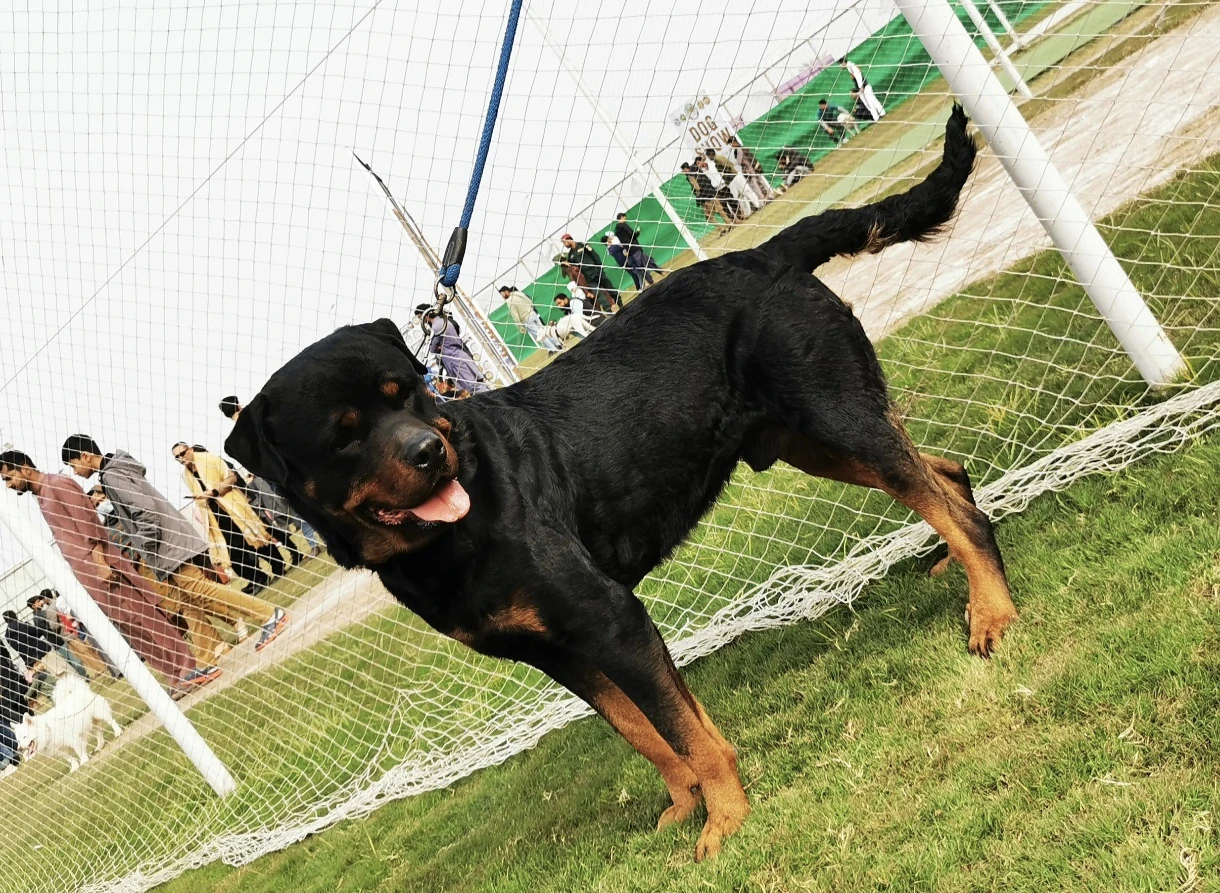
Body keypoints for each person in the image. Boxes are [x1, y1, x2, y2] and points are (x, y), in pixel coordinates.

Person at [0, 450, 217, 696]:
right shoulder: (42, 496)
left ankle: (188, 669)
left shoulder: (59, 483)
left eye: (9, 478)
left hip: (104, 568)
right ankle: (174, 676)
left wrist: (101, 563)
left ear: (25, 470)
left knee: (145, 617)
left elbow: (88, 523)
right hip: (90, 576)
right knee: (131, 626)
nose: (9, 485)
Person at [63, 435, 289, 659]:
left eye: (73, 465)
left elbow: (146, 513)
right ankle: (209, 653)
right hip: (167, 544)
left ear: (84, 456)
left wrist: (147, 546)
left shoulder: (112, 476)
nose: (75, 472)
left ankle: (269, 615)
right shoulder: (115, 471)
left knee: (201, 590)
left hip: (165, 546)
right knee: (187, 601)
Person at [173, 442, 287, 592]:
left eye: (183, 453)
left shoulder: (209, 459)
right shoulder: (186, 476)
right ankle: (257, 577)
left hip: (233, 506)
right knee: (232, 553)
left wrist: (213, 491)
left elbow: (231, 478)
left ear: (190, 450)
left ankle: (276, 566)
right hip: (215, 515)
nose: (181, 458)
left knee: (254, 539)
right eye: (177, 457)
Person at [220, 398, 322, 557]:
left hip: (270, 474)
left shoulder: (237, 436)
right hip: (286, 464)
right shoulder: (255, 417)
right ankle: (321, 539)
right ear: (238, 404)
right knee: (309, 500)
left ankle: (315, 543)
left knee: (297, 507)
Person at [414, 305, 491, 394]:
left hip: (455, 361)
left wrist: (439, 346)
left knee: (474, 388)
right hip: (461, 356)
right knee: (478, 385)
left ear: (426, 316)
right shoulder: (445, 321)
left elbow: (432, 349)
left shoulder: (436, 327)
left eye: (421, 317)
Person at [27, 591, 89, 677]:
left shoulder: (39, 615)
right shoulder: (40, 616)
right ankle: (83, 675)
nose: (41, 602)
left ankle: (82, 675)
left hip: (57, 640)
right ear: (33, 606)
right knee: (73, 658)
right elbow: (49, 628)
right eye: (38, 601)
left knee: (71, 658)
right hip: (58, 639)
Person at [560, 235, 620, 312]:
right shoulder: (571, 255)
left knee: (610, 288)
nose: (564, 245)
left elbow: (594, 255)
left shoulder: (583, 245)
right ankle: (608, 310)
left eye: (564, 242)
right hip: (588, 278)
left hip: (596, 272)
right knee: (598, 294)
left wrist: (599, 267)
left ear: (569, 240)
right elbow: (575, 269)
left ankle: (620, 302)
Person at [499, 286, 562, 352]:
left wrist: (519, 326)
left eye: (502, 294)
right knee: (543, 330)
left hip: (526, 319)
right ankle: (557, 343)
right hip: (532, 313)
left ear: (506, 291)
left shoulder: (509, 301)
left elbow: (515, 315)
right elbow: (530, 301)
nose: (502, 296)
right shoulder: (519, 294)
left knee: (539, 335)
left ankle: (552, 349)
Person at [701, 148, 760, 219]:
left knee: (746, 191)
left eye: (708, 155)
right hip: (732, 179)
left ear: (710, 154)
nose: (708, 157)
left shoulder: (718, 159)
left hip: (734, 177)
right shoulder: (718, 159)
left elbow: (728, 167)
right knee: (740, 196)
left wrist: (726, 174)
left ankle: (756, 205)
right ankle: (748, 211)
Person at [612, 213, 661, 290]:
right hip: (634, 248)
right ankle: (660, 272)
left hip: (629, 251)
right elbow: (632, 235)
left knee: (641, 266)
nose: (626, 219)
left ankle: (649, 281)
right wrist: (638, 232)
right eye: (625, 218)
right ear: (622, 217)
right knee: (645, 262)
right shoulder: (624, 226)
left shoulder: (616, 231)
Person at [681, 161, 733, 226]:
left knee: (709, 216)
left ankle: (722, 229)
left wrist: (698, 198)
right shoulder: (698, 169)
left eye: (683, 170)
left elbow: (697, 188)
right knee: (720, 210)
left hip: (705, 197)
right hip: (711, 192)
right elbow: (708, 179)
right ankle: (730, 224)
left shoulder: (690, 176)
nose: (683, 172)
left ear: (685, 169)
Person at [726, 137, 775, 205]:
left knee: (755, 185)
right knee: (761, 182)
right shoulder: (743, 147)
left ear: (734, 142)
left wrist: (732, 162)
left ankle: (764, 199)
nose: (731, 145)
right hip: (754, 167)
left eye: (731, 144)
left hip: (749, 170)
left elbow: (739, 162)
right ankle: (770, 196)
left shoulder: (738, 150)